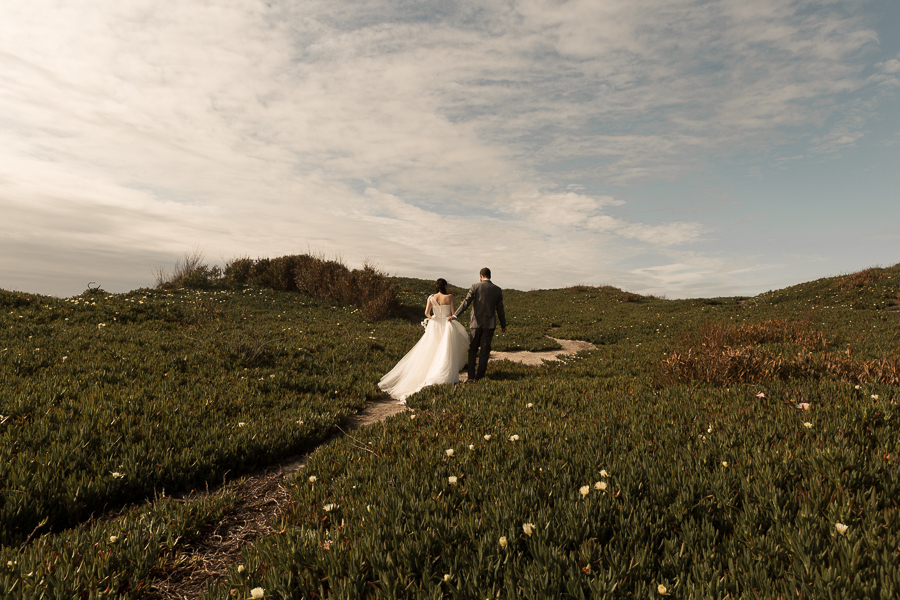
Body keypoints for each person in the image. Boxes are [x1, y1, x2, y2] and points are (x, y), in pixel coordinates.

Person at [378, 278, 469, 403]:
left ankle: (430, 372)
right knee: (446, 350)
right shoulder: (450, 297)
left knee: (432, 349)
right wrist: (447, 318)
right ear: (446, 286)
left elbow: (426, 313)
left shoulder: (431, 298)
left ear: (436, 286)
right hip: (446, 325)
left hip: (435, 325)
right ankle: (446, 376)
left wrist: (433, 318)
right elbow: (453, 314)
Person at [448, 267, 507, 382]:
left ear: (481, 276)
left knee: (473, 349)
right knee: (485, 351)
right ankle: (480, 377)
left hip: (475, 324)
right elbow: (500, 310)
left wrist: (455, 316)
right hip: (489, 325)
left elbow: (466, 302)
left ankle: (470, 376)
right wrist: (503, 325)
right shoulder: (497, 290)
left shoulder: (475, 287)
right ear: (490, 276)